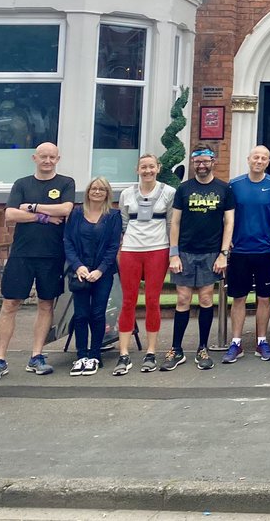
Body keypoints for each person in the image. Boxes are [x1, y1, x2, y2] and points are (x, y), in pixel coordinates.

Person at [0, 142, 76, 382]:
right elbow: (11, 214)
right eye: (43, 157)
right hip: (22, 254)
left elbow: (66, 209)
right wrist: (44, 217)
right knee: (10, 304)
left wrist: (33, 207)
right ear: (34, 158)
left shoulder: (66, 183)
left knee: (46, 305)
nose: (47, 161)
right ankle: (0, 359)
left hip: (51, 255)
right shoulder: (22, 184)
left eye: (52, 157)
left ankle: (37, 356)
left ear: (58, 159)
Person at [164, 147, 235, 372]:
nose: (201, 165)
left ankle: (202, 348)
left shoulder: (224, 189)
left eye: (205, 161)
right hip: (184, 251)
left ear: (214, 161)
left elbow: (229, 223)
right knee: (183, 299)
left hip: (211, 252)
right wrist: (173, 253)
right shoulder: (184, 188)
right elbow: (174, 222)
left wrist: (223, 254)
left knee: (206, 299)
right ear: (192, 163)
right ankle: (176, 349)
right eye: (197, 162)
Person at [113, 154, 176, 375]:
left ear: (158, 168)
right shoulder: (127, 194)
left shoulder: (168, 192)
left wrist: (173, 252)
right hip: (131, 250)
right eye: (143, 167)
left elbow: (171, 223)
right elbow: (123, 222)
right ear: (137, 169)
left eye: (151, 166)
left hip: (157, 249)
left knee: (152, 300)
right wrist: (121, 248)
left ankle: (150, 351)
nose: (147, 170)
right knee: (128, 301)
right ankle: (123, 353)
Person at [223, 145, 270, 365]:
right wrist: (226, 238)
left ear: (268, 162)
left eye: (264, 158)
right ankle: (236, 343)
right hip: (239, 250)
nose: (259, 161)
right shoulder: (234, 185)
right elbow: (225, 215)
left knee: (264, 298)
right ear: (248, 159)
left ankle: (261, 341)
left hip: (265, 251)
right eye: (255, 157)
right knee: (238, 298)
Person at [64, 178, 122, 376]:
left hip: (102, 274)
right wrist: (78, 266)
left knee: (98, 314)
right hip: (79, 272)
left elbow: (114, 246)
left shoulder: (113, 216)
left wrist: (100, 270)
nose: (97, 192)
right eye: (94, 188)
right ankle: (81, 355)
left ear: (107, 193)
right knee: (81, 315)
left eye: (101, 189)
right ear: (88, 191)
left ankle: (95, 355)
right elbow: (68, 242)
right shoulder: (76, 214)